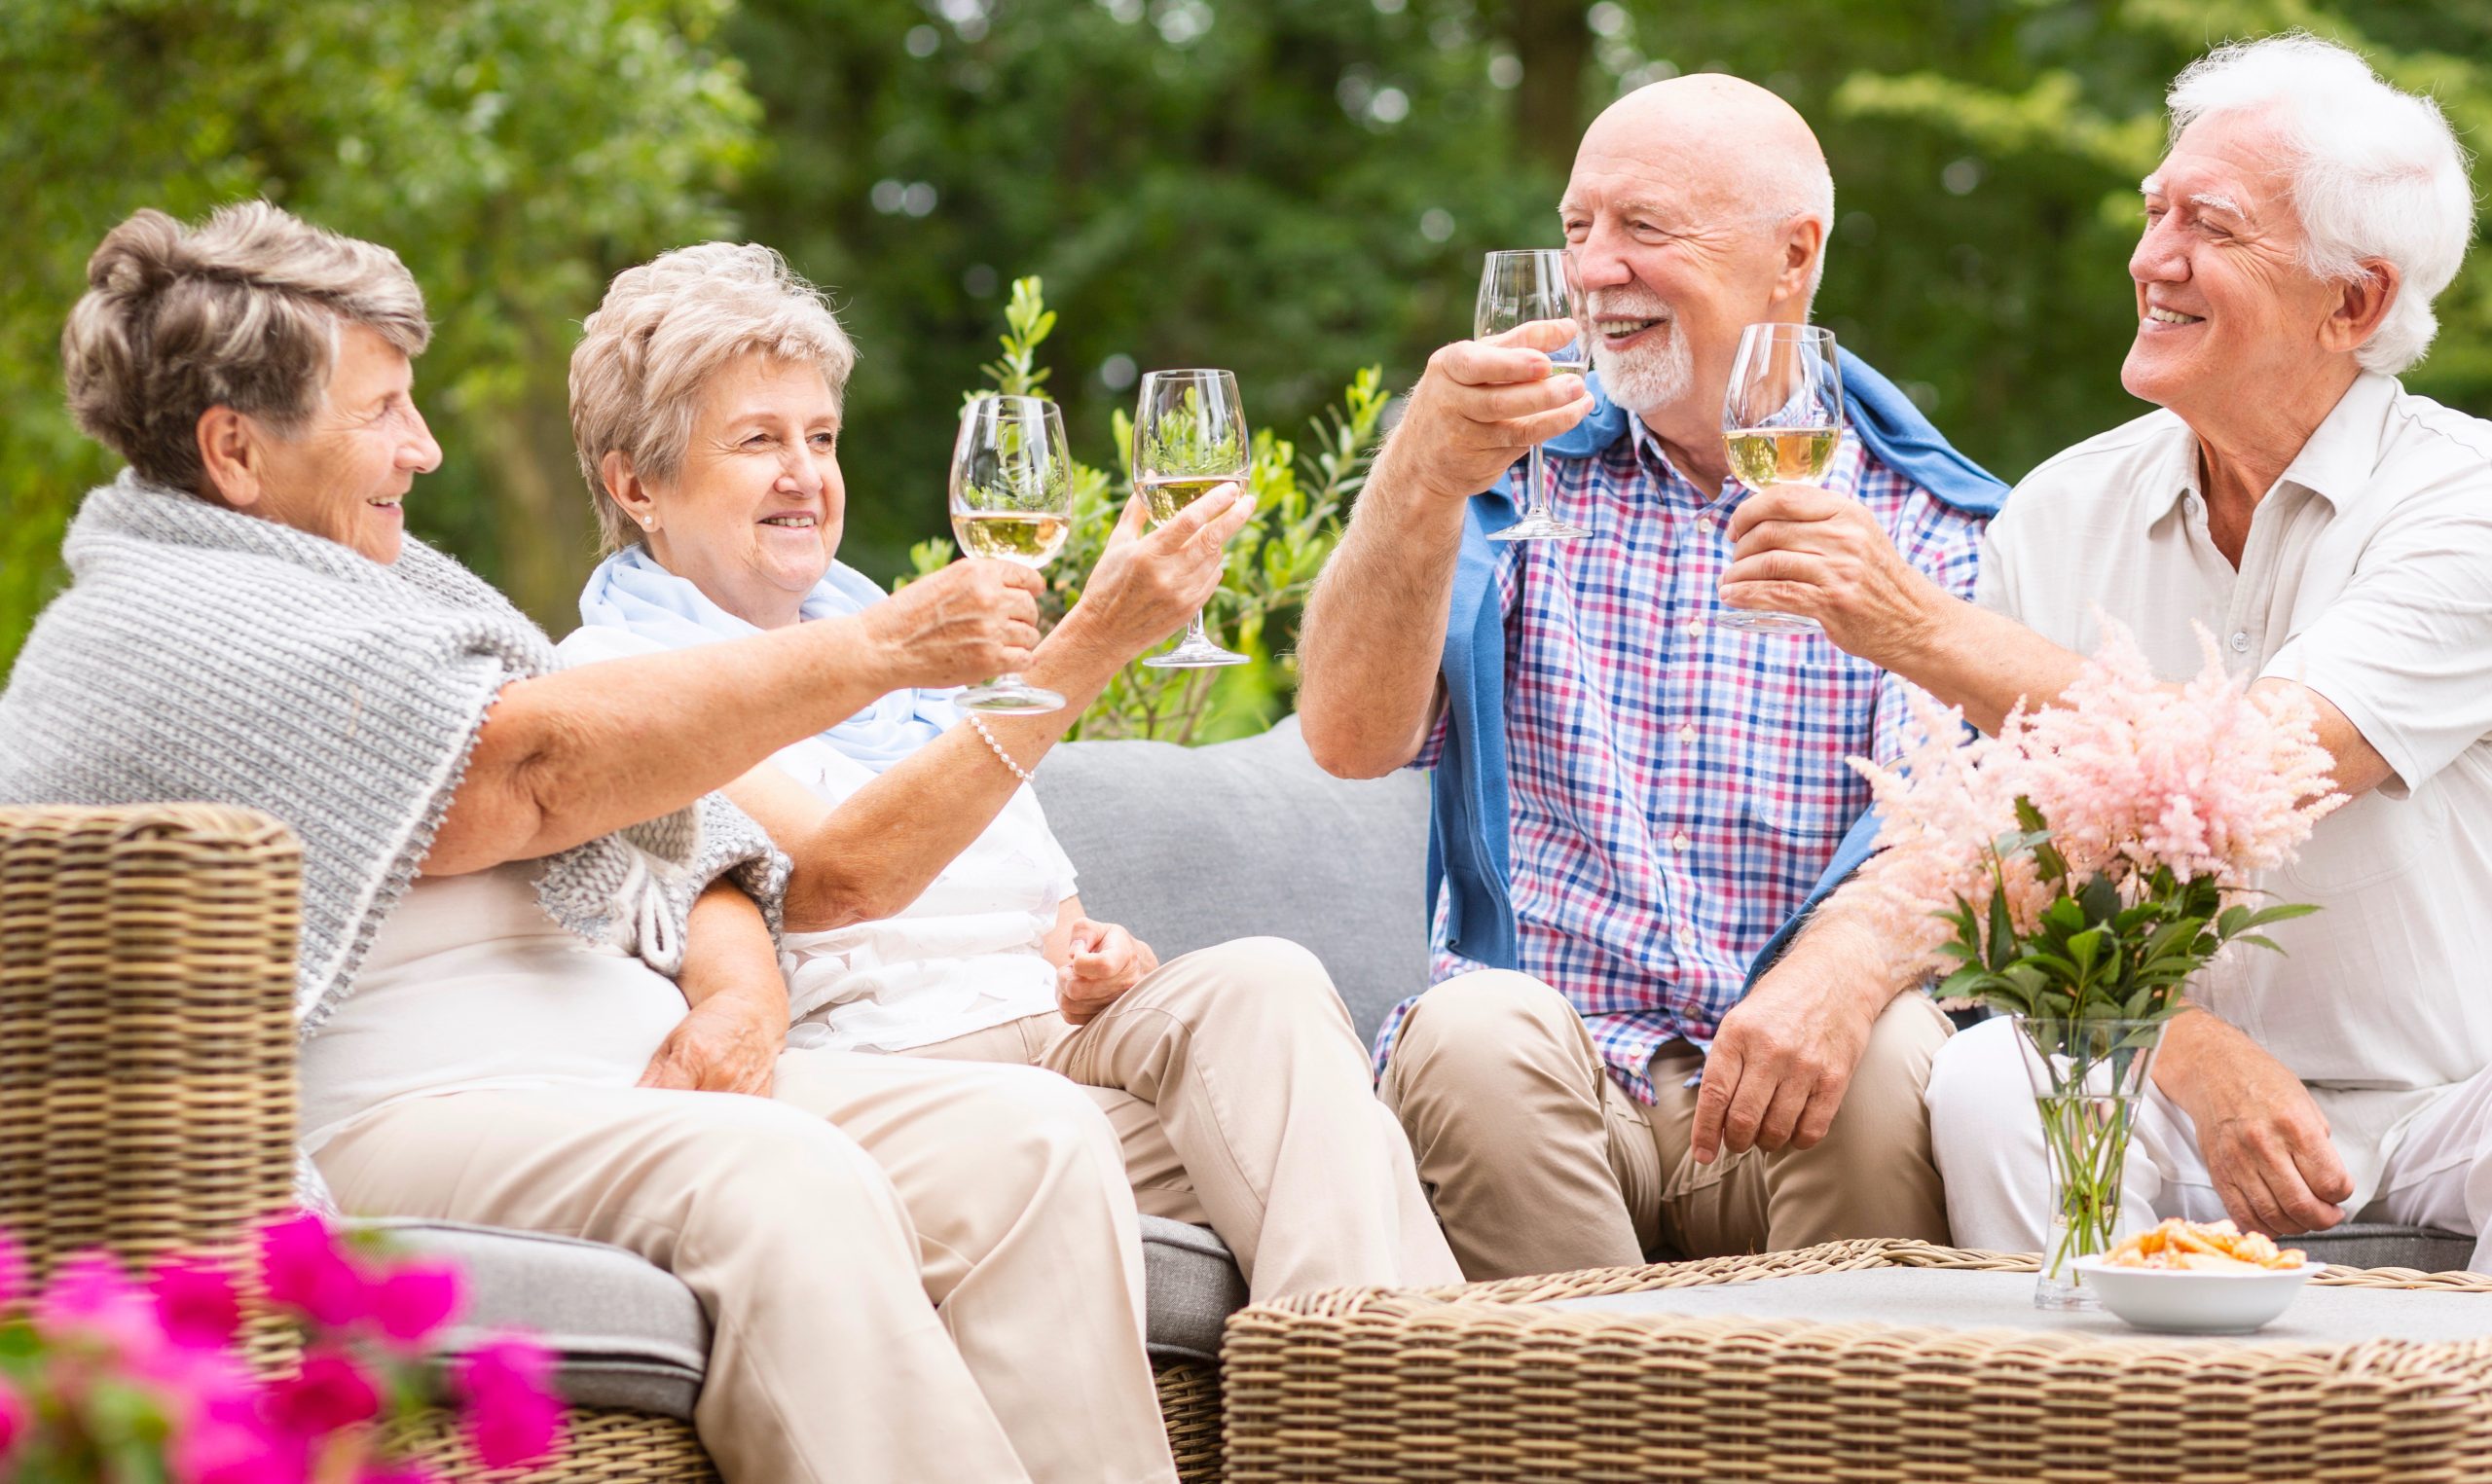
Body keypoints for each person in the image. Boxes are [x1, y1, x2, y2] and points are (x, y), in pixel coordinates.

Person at [0, 201, 1188, 1482]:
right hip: (401, 1102)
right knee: (782, 1180)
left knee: (1029, 1145)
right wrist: (882, 649)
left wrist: (742, 992)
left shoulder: (396, 596)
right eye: (383, 409)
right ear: (236, 449)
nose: (428, 448)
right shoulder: (156, 631)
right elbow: (527, 776)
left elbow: (691, 832)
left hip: (626, 1074)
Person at [554, 241, 1462, 1302]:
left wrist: (1103, 963)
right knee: (1335, 1145)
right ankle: (1418, 1401)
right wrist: (1088, 645)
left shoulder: (915, 657)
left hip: (1054, 1047)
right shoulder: (622, 678)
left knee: (1266, 982)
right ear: (638, 485)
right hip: (891, 1071)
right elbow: (838, 880)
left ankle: (1383, 1392)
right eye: (758, 441)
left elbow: (1051, 916)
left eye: (821, 437)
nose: (806, 474)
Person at [1723, 35, 2492, 1267]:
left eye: (2214, 228)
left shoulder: (2467, 504)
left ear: (2353, 302)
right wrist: (2183, 1052)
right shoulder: (2058, 509)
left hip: (2453, 1100)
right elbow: (2006, 865)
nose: (2153, 259)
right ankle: (2100, 1431)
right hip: (2172, 1097)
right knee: (1988, 1078)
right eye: (2154, 211)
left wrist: (1915, 623)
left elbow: (2249, 769)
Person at [1294, 74, 2006, 1280]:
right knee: (1468, 1034)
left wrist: (1841, 968)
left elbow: (1955, 822)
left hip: (1799, 1087)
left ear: (1794, 256)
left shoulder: (1936, 521)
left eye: (1644, 228)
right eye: (1577, 229)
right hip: (1557, 1069)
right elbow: (1350, 739)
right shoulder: (1509, 475)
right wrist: (1417, 475)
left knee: (1888, 1050)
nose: (1593, 269)